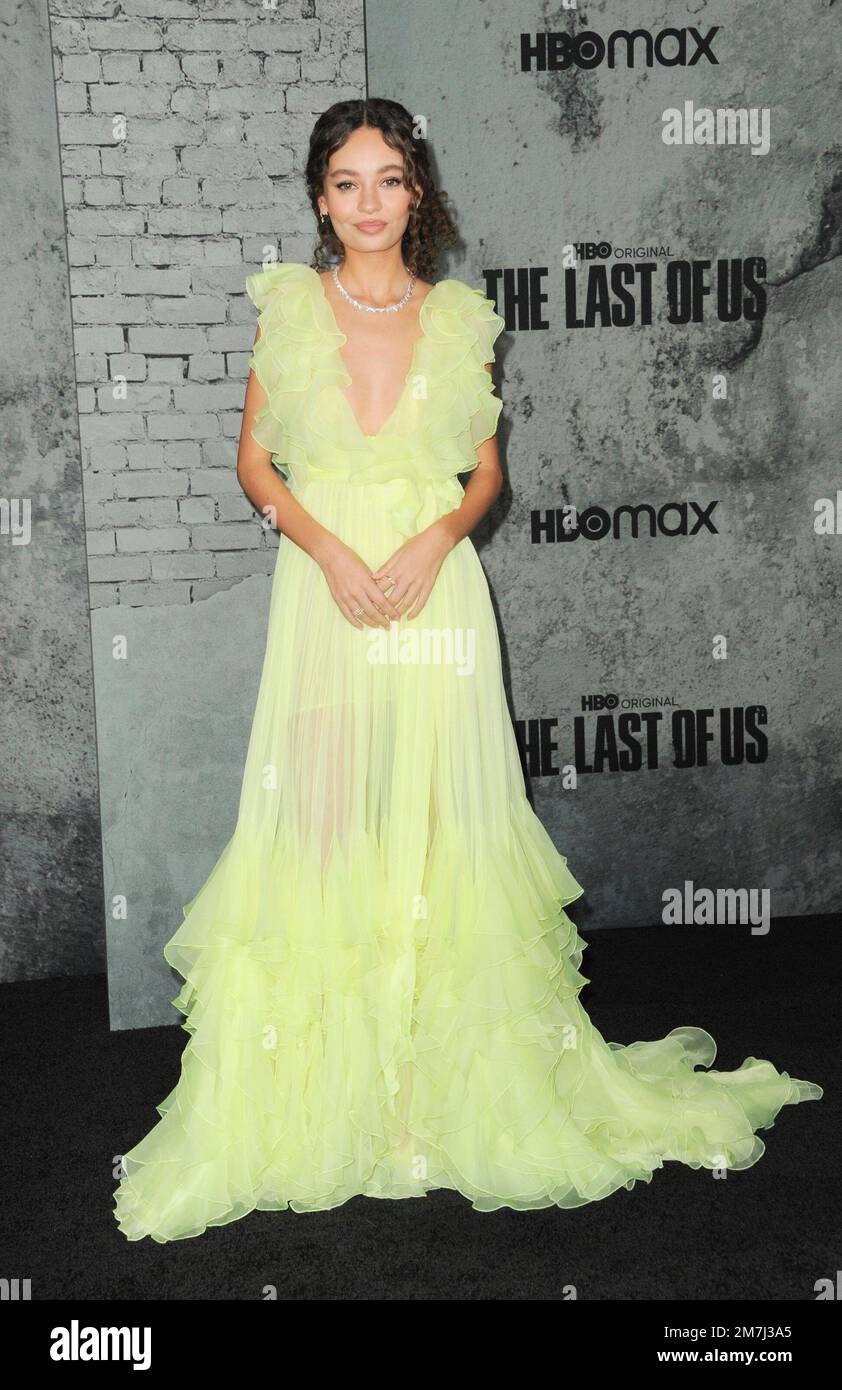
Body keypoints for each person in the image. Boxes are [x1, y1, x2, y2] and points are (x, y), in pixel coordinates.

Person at [113, 98, 822, 1244]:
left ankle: (445, 1092)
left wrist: (433, 541)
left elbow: (483, 479)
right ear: (317, 198)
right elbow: (254, 463)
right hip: (326, 592)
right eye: (345, 182)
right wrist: (334, 552)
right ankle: (333, 1097)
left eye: (387, 179)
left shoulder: (458, 318)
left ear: (416, 192)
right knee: (328, 820)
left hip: (434, 591)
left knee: (443, 827)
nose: (367, 203)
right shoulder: (288, 310)